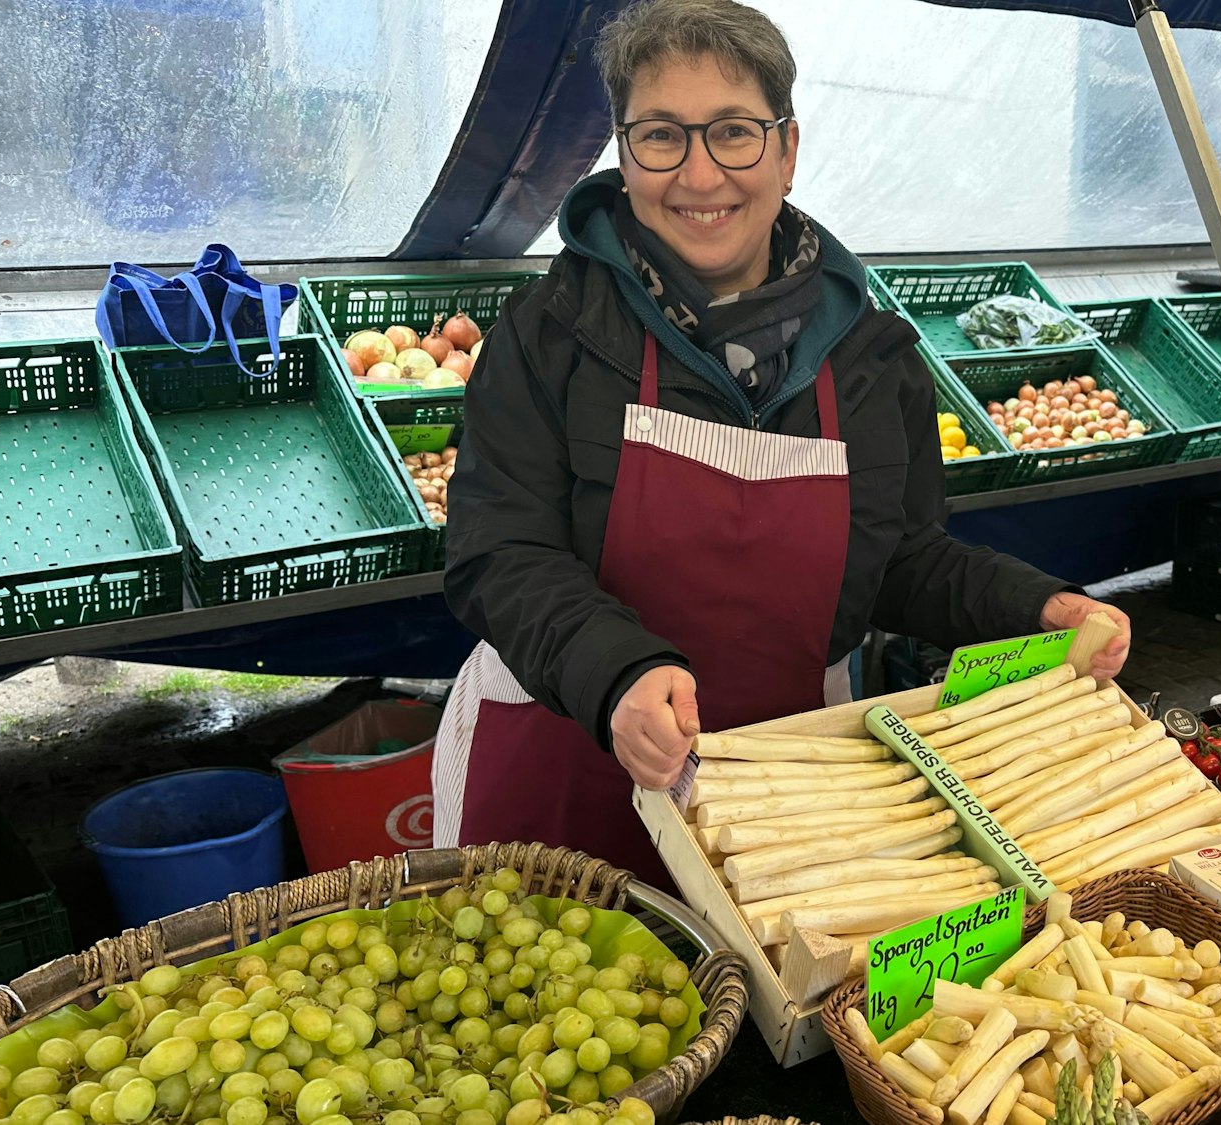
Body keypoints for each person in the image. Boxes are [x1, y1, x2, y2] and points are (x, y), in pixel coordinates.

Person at [430, 0, 1130, 886]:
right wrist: (615, 674)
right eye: (660, 136)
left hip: (786, 794)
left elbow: (902, 561)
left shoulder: (871, 359)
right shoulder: (550, 333)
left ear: (788, 149)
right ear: (623, 153)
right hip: (560, 766)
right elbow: (500, 551)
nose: (699, 173)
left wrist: (1039, 606)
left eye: (733, 133)